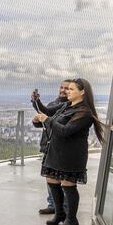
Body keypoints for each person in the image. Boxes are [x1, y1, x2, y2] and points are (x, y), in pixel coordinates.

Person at [34, 78, 105, 225]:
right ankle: (60, 214)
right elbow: (48, 113)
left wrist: (47, 120)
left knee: (68, 184)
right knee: (52, 179)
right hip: (57, 151)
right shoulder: (67, 105)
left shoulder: (84, 112)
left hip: (71, 155)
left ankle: (72, 220)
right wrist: (37, 106)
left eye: (71, 89)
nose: (67, 91)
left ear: (82, 92)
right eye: (68, 89)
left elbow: (65, 131)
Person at [31, 80, 71, 215]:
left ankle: (64, 208)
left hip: (61, 147)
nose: (63, 90)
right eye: (61, 87)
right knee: (50, 177)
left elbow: (54, 122)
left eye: (67, 88)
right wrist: (36, 120)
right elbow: (45, 122)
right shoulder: (54, 105)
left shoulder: (70, 107)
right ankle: (53, 204)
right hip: (48, 145)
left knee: (63, 179)